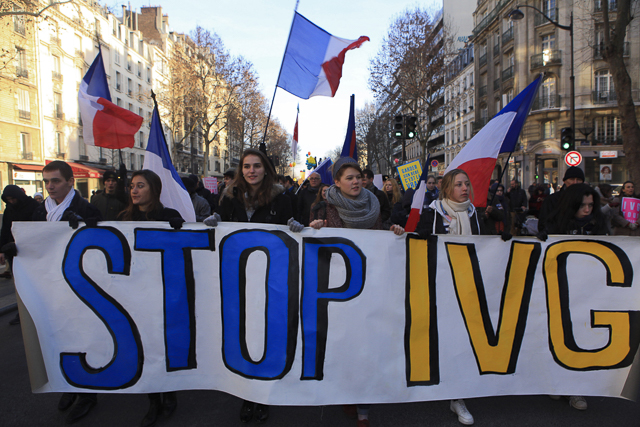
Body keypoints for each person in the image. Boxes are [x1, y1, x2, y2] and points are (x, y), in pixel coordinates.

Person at [310, 157, 403, 427]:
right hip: (337, 292)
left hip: (370, 287)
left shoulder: (374, 204)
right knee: (343, 346)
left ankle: (364, 409)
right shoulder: (322, 208)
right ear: (336, 182)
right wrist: (315, 228)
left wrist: (393, 232)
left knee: (367, 347)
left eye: (358, 177)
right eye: (349, 178)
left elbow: (380, 235)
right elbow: (308, 242)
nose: (355, 182)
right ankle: (345, 393)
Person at [207, 148, 295, 423]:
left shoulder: (282, 198)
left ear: (266, 169)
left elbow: (290, 225)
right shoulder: (230, 196)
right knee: (241, 336)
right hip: (237, 279)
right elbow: (222, 220)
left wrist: (294, 225)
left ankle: (263, 396)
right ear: (241, 170)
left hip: (271, 281)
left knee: (266, 337)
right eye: (247, 166)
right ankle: (247, 395)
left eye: (257, 166)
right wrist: (215, 221)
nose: (251, 171)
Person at [32, 161, 102, 424]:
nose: (50, 186)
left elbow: (99, 246)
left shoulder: (86, 208)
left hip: (80, 286)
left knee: (83, 338)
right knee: (59, 337)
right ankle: (69, 385)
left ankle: (88, 393)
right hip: (51, 285)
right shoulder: (40, 211)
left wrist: (84, 225)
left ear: (70, 181)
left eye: (56, 181)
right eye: (47, 181)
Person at [415, 168, 485, 426]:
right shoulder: (433, 212)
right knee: (440, 338)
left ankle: (458, 395)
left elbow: (485, 246)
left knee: (464, 339)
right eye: (458, 184)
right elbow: (418, 239)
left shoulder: (474, 213)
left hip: (468, 286)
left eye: (467, 183)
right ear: (446, 188)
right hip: (439, 285)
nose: (464, 188)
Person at [118, 170, 182, 427]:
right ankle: (153, 400)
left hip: (165, 292)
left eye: (140, 186)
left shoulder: (169, 217)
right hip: (135, 294)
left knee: (163, 347)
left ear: (153, 189)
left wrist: (180, 229)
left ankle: (170, 393)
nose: (134, 190)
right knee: (142, 348)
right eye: (132, 186)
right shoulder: (122, 219)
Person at [0, 185, 40, 322]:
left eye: (13, 198)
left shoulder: (33, 206)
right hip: (13, 252)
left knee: (33, 283)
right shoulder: (9, 209)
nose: (11, 201)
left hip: (30, 252)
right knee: (19, 284)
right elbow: (5, 229)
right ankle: (22, 312)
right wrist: (2, 249)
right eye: (8, 199)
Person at [538, 166, 584, 234]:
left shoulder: (588, 199)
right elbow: (543, 224)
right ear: (565, 181)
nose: (575, 182)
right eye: (572, 179)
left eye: (578, 179)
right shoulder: (552, 200)